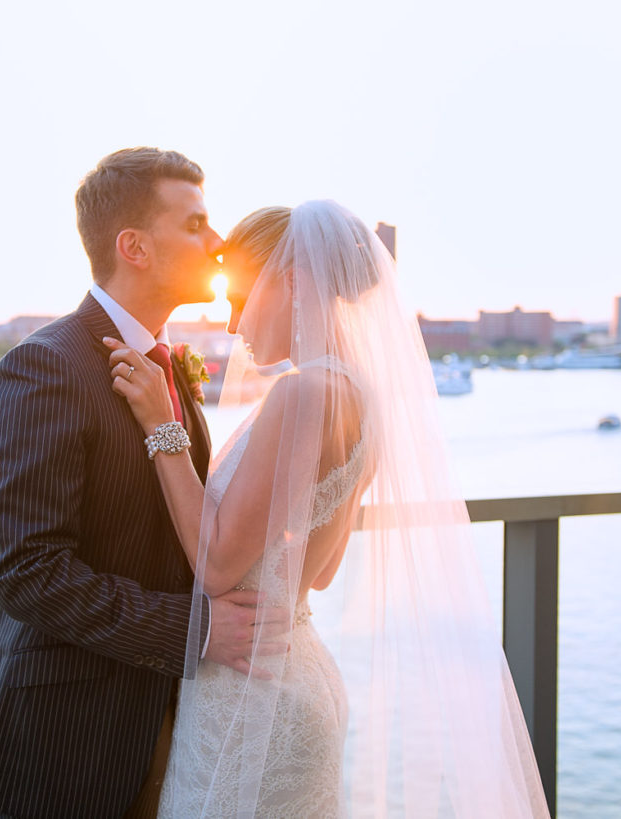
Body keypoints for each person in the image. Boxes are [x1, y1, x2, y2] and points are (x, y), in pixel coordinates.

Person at [106, 200, 551, 816]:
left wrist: (164, 427)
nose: (233, 325)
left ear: (292, 280)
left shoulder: (302, 393)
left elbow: (217, 566)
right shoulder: (359, 395)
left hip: (250, 697)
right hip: (299, 676)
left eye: (240, 298)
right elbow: (319, 571)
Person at [0, 147, 285, 819]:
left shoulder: (167, 364)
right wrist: (197, 630)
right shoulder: (44, 368)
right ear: (134, 246)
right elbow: (25, 569)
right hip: (68, 741)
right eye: (194, 223)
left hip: (166, 726)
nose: (218, 241)